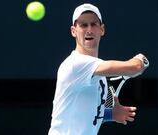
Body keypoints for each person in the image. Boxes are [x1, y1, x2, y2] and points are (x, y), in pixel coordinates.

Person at [48, 3, 149, 135]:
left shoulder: (98, 74)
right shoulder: (75, 64)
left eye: (93, 24)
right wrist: (140, 60)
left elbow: (87, 114)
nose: (89, 30)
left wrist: (110, 114)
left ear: (102, 29)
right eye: (83, 25)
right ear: (74, 31)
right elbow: (135, 67)